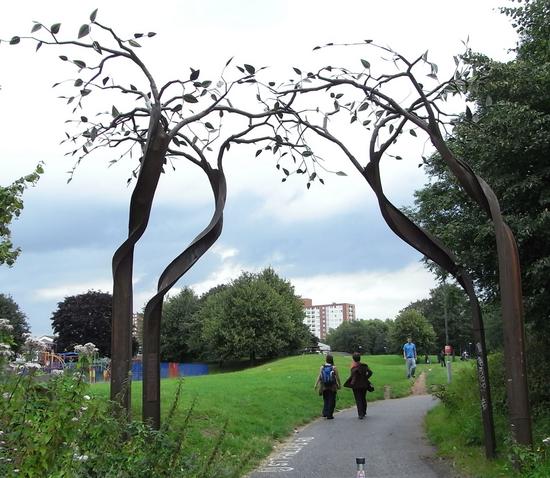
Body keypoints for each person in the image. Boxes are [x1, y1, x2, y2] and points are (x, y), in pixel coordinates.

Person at [344, 352, 374, 419]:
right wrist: (366, 378)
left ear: (353, 359)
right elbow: (370, 372)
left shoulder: (354, 368)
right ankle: (364, 411)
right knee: (363, 398)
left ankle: (360, 414)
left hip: (356, 385)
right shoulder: (364, 366)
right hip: (364, 384)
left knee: (358, 399)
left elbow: (353, 377)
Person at [314, 354, 341, 419]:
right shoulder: (334, 367)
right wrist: (339, 385)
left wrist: (316, 384)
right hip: (332, 386)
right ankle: (329, 415)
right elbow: (337, 377)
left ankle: (324, 413)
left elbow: (319, 376)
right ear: (332, 359)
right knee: (332, 400)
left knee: (326, 399)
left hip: (324, 386)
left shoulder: (322, 367)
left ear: (326, 359)